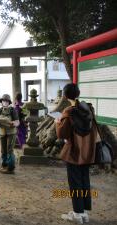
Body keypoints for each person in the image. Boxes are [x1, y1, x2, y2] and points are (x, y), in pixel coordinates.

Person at [56, 83, 97, 224]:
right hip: (87, 151)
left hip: (74, 152)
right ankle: (84, 212)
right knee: (85, 180)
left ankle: (77, 214)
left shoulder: (68, 112)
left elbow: (62, 133)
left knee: (75, 182)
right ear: (78, 94)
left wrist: (57, 122)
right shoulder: (89, 108)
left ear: (66, 96)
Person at [0, 94, 19, 174]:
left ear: (9, 102)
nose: (4, 102)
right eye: (3, 101)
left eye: (6, 101)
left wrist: (12, 123)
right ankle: (4, 164)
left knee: (9, 150)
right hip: (2, 132)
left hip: (11, 133)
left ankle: (10, 167)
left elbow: (17, 122)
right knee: (3, 150)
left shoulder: (13, 110)